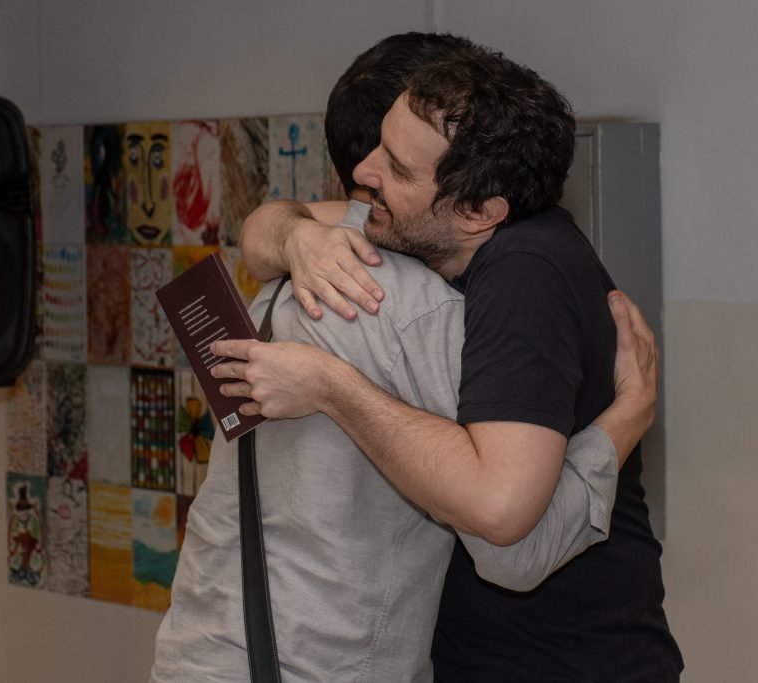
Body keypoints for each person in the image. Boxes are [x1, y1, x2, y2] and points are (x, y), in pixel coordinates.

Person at [151, 32, 658, 682]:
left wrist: (295, 240)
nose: (366, 175)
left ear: (478, 209)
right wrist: (626, 417)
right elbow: (515, 541)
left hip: (203, 649)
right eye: (376, 151)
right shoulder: (379, 277)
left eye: (395, 167)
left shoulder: (479, 276)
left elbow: (501, 513)